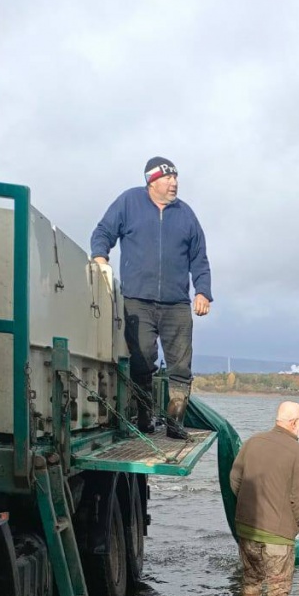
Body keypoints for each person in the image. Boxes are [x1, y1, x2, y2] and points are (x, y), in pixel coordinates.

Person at [90, 156, 212, 440]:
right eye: (168, 178)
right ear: (152, 181)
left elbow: (199, 258)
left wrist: (203, 291)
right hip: (137, 300)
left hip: (177, 304)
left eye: (176, 178)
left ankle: (175, 422)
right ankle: (144, 417)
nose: (174, 183)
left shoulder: (186, 214)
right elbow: (103, 231)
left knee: (180, 366)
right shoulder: (129, 202)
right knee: (142, 362)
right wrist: (100, 257)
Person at [228, 401, 299, 596]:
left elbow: (235, 481)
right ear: (294, 422)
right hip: (279, 535)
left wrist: (247, 508)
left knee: (251, 580)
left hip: (247, 528)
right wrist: (294, 527)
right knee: (278, 590)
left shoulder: (252, 442)